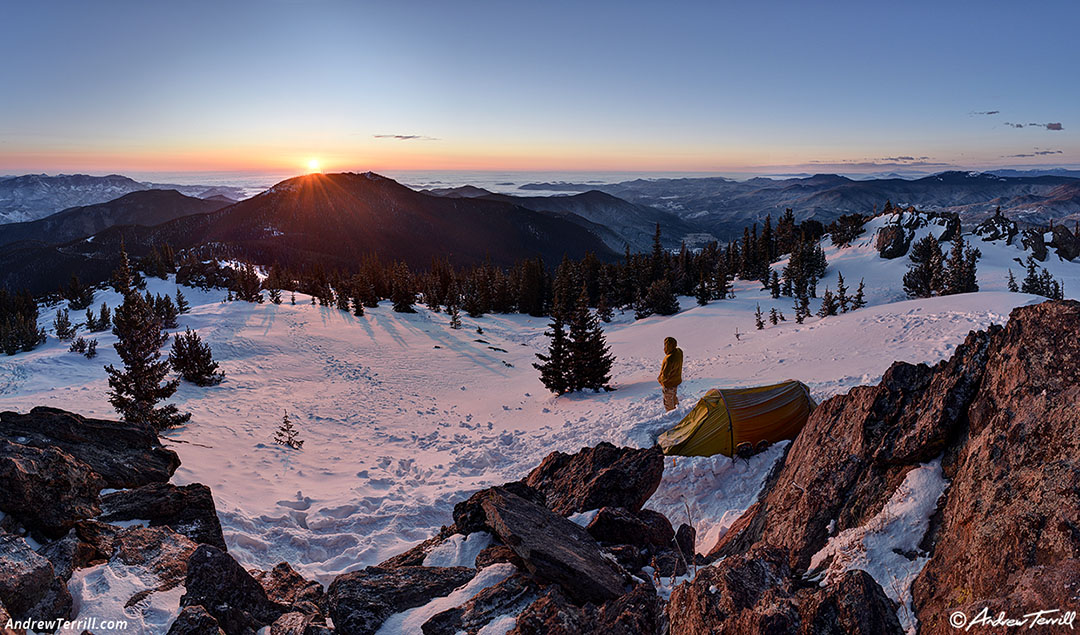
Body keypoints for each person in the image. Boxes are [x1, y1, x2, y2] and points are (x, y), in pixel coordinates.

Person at [658, 336, 683, 411]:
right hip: (676, 380)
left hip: (668, 383)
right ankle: (678, 411)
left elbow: (665, 374)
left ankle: (672, 415)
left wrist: (661, 380)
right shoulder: (679, 351)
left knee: (668, 402)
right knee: (674, 397)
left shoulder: (669, 358)